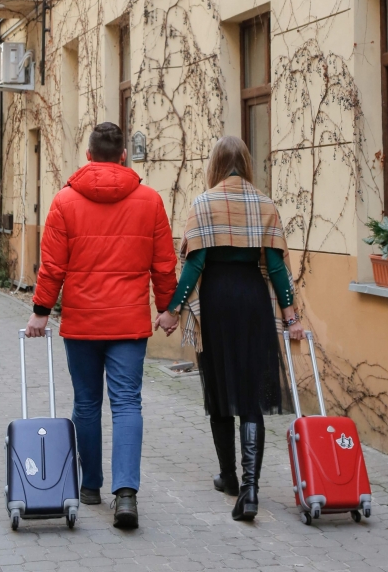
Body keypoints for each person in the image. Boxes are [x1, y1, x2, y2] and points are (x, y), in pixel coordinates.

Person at [25, 122, 177, 529]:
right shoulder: (149, 201)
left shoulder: (64, 202)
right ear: (123, 156)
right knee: (127, 402)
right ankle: (125, 494)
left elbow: (52, 265)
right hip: (128, 323)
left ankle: (90, 485)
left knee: (87, 403)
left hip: (82, 323)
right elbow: (163, 263)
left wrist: (41, 311)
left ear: (89, 156)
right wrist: (167, 307)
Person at [156, 136, 306, 522]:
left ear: (215, 166)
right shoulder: (265, 204)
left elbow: (194, 265)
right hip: (253, 302)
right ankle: (252, 489)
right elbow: (276, 268)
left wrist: (173, 310)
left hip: (217, 305)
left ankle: (229, 476)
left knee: (220, 388)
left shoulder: (203, 204)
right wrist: (291, 318)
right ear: (247, 163)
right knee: (250, 393)